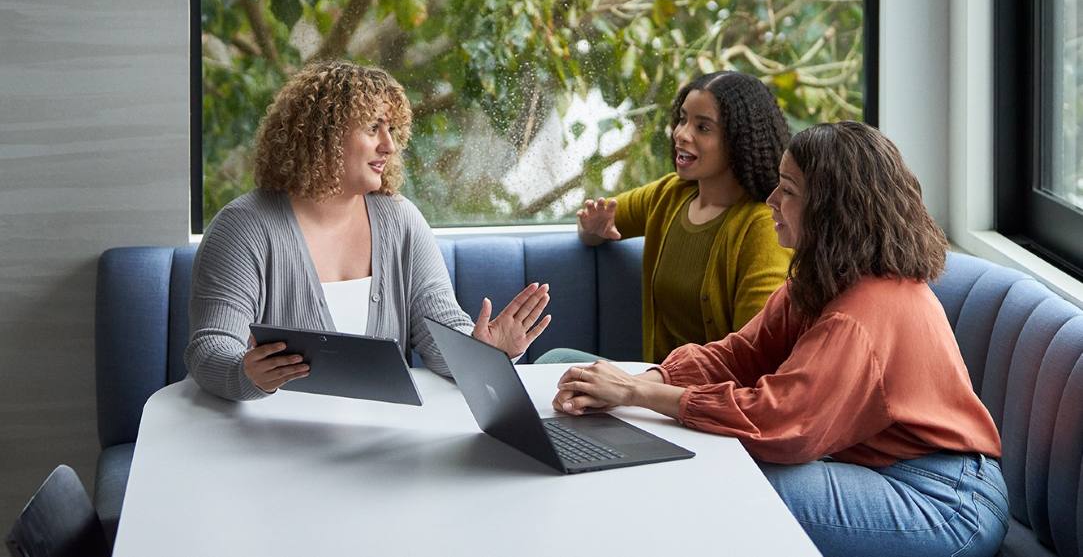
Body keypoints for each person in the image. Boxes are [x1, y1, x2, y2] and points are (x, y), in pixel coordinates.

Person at [552, 122, 1009, 556]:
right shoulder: (822, 279)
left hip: (946, 502)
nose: (771, 199)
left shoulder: (862, 313)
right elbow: (740, 355)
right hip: (878, 471)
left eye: (788, 190)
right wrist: (653, 378)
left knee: (725, 485)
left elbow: (783, 427)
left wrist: (638, 392)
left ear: (831, 210)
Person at [185, 60, 551, 401]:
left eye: (391, 129)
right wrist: (245, 374)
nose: (389, 145)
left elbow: (440, 336)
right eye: (372, 127)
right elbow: (210, 347)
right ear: (320, 135)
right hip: (266, 442)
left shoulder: (401, 220)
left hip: (378, 443)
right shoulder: (244, 227)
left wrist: (483, 351)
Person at [538, 71, 791, 365]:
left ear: (739, 140)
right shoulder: (669, 195)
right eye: (682, 119)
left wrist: (657, 391)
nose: (681, 134)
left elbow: (752, 357)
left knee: (554, 362)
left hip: (704, 397)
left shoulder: (762, 227)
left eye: (703, 127)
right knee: (555, 361)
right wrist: (592, 229)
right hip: (654, 386)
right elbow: (592, 225)